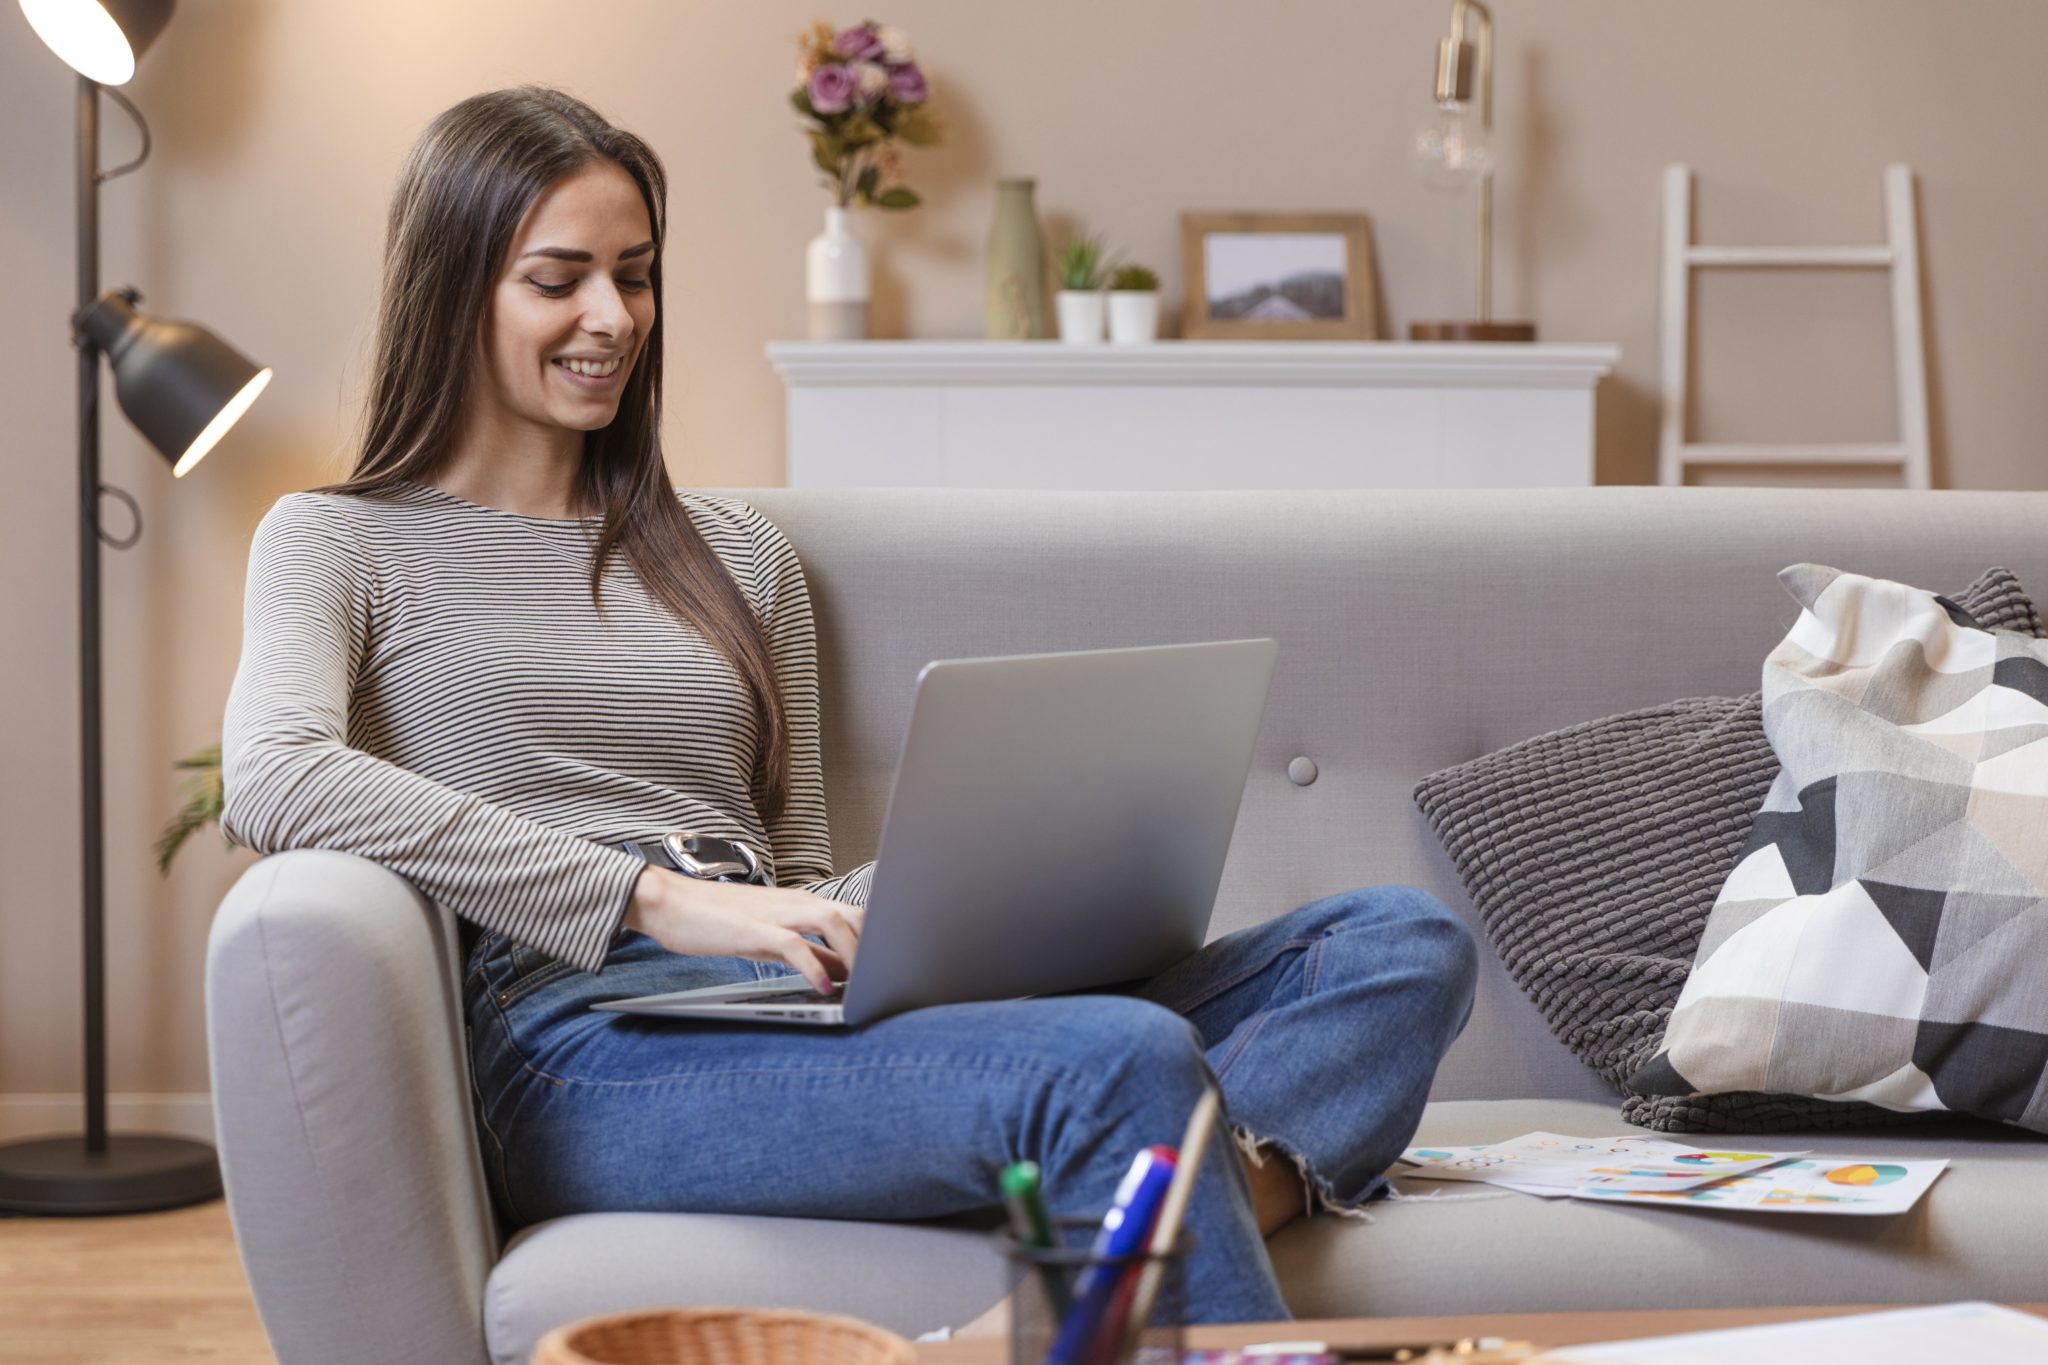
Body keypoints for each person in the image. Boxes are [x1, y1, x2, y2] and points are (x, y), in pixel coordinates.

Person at [218, 85, 1478, 1326]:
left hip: (792, 997)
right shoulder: (339, 542)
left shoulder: (735, 554)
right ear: (455, 293)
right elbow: (270, 774)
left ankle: (1116, 1254)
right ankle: (1140, 1226)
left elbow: (801, 866)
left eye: (636, 273)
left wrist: (966, 899)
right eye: (558, 280)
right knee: (1118, 1061)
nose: (611, 316)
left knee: (1393, 944)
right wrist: (661, 899)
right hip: (584, 1037)